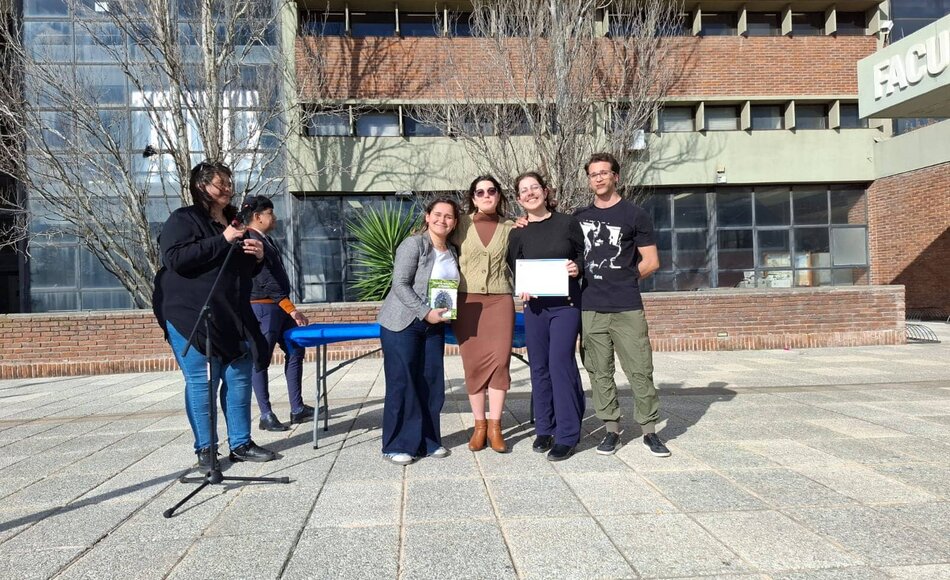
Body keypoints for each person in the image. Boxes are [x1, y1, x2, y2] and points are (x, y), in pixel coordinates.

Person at [153, 161, 277, 473]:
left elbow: (238, 271)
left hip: (233, 315)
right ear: (202, 186)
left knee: (239, 377)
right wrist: (223, 239)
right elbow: (176, 258)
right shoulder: (184, 218)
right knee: (202, 382)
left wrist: (257, 257)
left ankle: (241, 444)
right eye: (221, 184)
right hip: (191, 316)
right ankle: (206, 449)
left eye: (229, 182)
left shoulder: (235, 221)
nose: (228, 189)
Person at [574, 152, 670, 457]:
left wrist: (624, 279)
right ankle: (611, 430)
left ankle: (649, 431)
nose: (599, 178)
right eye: (593, 174)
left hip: (627, 306)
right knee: (598, 371)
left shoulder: (635, 215)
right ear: (589, 180)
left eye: (604, 172)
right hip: (591, 307)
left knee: (640, 369)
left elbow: (651, 261)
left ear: (616, 176)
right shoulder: (579, 218)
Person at [508, 171, 586, 462]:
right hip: (535, 308)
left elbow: (583, 255)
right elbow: (515, 267)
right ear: (519, 199)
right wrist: (522, 286)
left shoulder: (567, 223)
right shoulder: (518, 232)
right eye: (524, 190)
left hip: (566, 305)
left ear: (545, 191)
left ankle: (567, 434)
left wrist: (578, 267)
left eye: (534, 187)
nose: (530, 193)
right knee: (539, 367)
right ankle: (544, 428)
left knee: (560, 364)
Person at [377, 197, 461, 465]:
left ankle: (428, 441)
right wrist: (425, 312)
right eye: (437, 214)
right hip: (403, 323)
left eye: (448, 216)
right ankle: (396, 444)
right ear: (427, 216)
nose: (442, 220)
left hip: (434, 326)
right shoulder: (414, 244)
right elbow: (400, 284)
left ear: (455, 222)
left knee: (431, 384)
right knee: (403, 383)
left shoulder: (452, 250)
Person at [451, 175, 514, 453]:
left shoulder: (511, 227)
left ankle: (496, 427)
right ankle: (479, 426)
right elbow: (434, 239)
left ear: (498, 195)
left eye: (491, 190)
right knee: (473, 364)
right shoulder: (460, 224)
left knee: (500, 362)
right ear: (473, 197)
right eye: (480, 192)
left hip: (500, 301)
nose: (486, 195)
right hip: (467, 302)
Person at [242, 195, 314, 432]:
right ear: (257, 216)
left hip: (278, 307)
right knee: (261, 358)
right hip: (263, 307)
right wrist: (291, 309)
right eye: (270, 213)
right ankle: (266, 414)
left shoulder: (266, 240)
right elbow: (264, 279)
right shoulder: (250, 240)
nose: (274, 217)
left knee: (295, 349)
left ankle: (297, 408)